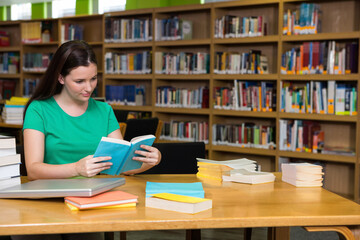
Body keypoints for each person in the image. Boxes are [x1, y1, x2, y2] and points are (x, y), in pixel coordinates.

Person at [13, 40, 161, 240]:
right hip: (45, 202)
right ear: (61, 78)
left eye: (93, 78)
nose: (89, 87)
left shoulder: (104, 110)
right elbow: (33, 170)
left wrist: (149, 161)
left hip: (88, 202)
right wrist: (76, 168)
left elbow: (121, 166)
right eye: (80, 81)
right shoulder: (39, 110)